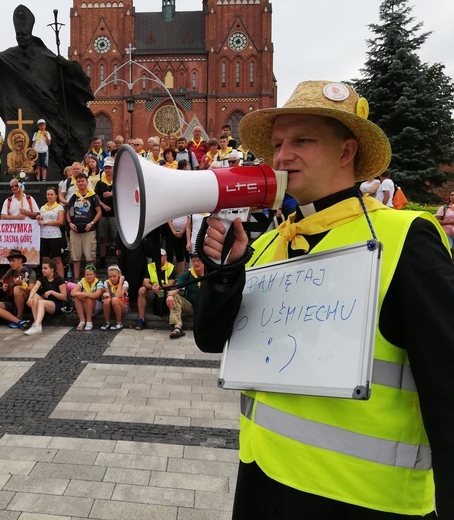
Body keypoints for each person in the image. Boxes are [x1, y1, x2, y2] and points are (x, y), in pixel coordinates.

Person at [195, 80, 454, 518]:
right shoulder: (270, 241)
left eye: (302, 141)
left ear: (346, 151)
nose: (281, 156)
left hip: (363, 499)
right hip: (262, 481)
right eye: (277, 144)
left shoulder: (405, 238)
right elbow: (210, 338)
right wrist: (223, 274)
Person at [0, 5, 94, 179]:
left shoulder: (44, 54)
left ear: (30, 33)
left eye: (23, 34)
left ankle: (53, 172)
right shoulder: (11, 55)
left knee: (54, 145)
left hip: (47, 112)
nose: (21, 37)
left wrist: (67, 67)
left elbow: (75, 78)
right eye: (18, 35)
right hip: (19, 108)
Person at [65, 172, 101, 281]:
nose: (80, 183)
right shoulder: (74, 197)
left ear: (87, 182)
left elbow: (99, 212)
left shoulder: (93, 196)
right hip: (75, 230)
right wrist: (70, 223)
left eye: (82, 181)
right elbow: (67, 212)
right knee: (76, 257)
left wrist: (92, 223)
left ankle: (92, 279)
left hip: (89, 230)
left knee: (90, 257)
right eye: (78, 181)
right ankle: (76, 279)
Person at [0, 249, 34, 329]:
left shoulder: (29, 272)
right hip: (11, 301)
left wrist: (22, 284)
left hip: (25, 302)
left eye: (13, 261)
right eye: (10, 261)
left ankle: (20, 316)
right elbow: (1, 281)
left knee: (17, 288)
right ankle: (18, 322)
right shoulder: (11, 271)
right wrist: (4, 286)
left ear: (20, 260)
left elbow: (31, 289)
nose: (11, 263)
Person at [136, 248, 176, 331]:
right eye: (157, 256)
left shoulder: (171, 267)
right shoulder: (150, 266)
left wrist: (161, 287)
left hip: (165, 290)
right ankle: (141, 319)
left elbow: (171, 283)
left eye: (161, 256)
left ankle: (173, 320)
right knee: (142, 290)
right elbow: (145, 282)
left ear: (165, 257)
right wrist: (152, 287)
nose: (158, 258)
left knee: (172, 291)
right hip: (152, 290)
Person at [24, 259, 67, 335]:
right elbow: (35, 288)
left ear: (52, 269)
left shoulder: (59, 280)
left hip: (57, 304)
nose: (43, 270)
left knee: (41, 302)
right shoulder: (42, 279)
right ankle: (37, 324)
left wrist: (52, 292)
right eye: (42, 268)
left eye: (45, 268)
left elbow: (64, 296)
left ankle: (36, 325)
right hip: (46, 302)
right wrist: (30, 298)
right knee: (34, 296)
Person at [166, 254, 204, 339]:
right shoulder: (188, 274)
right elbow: (177, 286)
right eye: (194, 261)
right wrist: (170, 295)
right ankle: (177, 327)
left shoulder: (209, 273)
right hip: (190, 305)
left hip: (205, 306)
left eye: (199, 261)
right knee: (175, 297)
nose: (196, 263)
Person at [37, 186, 65, 279]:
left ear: (56, 196)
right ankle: (47, 278)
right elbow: (40, 220)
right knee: (45, 259)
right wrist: (38, 219)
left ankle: (61, 279)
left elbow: (60, 221)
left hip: (55, 236)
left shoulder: (59, 207)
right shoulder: (42, 207)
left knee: (57, 259)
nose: (49, 196)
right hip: (43, 236)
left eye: (51, 194)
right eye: (48, 194)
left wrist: (45, 222)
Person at [95, 156, 117, 268]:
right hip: (103, 214)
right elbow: (96, 197)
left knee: (116, 236)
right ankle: (103, 259)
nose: (108, 170)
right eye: (106, 168)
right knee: (103, 237)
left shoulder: (118, 181)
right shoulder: (100, 183)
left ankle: (119, 257)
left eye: (110, 168)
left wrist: (112, 194)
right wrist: (103, 205)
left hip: (116, 213)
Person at [70, 264, 103, 331]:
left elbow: (97, 295)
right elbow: (72, 292)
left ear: (95, 274)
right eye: (87, 275)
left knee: (88, 298)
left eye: (91, 274)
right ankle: (82, 320)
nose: (89, 276)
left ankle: (89, 321)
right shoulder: (82, 281)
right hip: (84, 304)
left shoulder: (99, 282)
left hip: (96, 305)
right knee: (77, 297)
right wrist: (79, 294)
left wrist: (85, 294)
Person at [100, 264, 129, 331]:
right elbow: (109, 297)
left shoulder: (124, 283)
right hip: (112, 306)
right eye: (110, 276)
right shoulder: (107, 283)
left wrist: (120, 282)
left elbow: (119, 295)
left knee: (115, 299)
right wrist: (106, 295)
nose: (112, 278)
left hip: (123, 306)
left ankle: (119, 322)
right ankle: (107, 322)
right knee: (107, 300)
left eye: (114, 276)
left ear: (119, 275)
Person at [435, 190, 454, 256]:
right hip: (446, 232)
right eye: (451, 195)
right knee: (449, 248)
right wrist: (451, 222)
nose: (453, 196)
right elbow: (437, 221)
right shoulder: (444, 208)